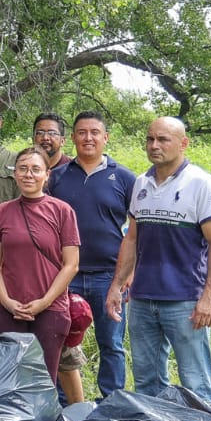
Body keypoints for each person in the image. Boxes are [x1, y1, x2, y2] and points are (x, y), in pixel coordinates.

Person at [107, 116, 211, 402]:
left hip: (185, 300)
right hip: (142, 300)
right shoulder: (141, 183)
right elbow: (132, 238)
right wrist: (117, 285)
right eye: (150, 139)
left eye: (163, 139)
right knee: (147, 383)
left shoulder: (201, 184)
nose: (154, 145)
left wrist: (209, 296)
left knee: (195, 381)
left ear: (183, 143)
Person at [47, 111, 137, 398]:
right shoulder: (58, 177)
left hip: (109, 277)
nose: (88, 138)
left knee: (111, 342)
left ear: (105, 137)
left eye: (94, 132)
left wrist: (129, 274)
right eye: (82, 132)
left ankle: (112, 401)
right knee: (61, 340)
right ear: (72, 138)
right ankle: (65, 402)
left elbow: (137, 231)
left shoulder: (124, 178)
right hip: (66, 275)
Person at [0, 147, 82, 389]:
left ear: (46, 174)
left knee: (43, 381)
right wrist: (6, 302)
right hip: (12, 309)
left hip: (50, 308)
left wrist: (44, 302)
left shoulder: (62, 211)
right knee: (9, 379)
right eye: (23, 169)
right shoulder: (3, 211)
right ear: (15, 173)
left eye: (35, 169)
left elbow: (71, 264)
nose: (29, 175)